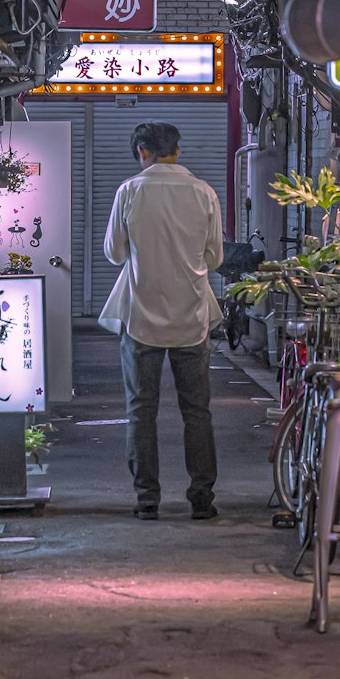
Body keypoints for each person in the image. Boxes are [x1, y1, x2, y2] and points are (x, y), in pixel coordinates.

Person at [100, 121, 224, 521]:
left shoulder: (130, 192)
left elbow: (115, 254)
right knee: (197, 411)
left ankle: (147, 498)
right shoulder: (204, 193)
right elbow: (215, 258)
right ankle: (202, 496)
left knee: (141, 409)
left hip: (141, 319)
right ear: (178, 150)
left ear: (142, 152)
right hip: (192, 317)